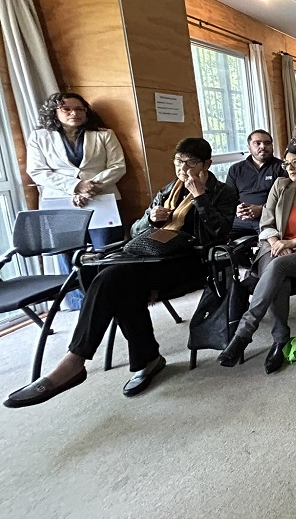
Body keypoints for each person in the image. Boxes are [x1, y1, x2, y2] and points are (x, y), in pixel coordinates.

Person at [5, 138, 238, 407]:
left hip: (192, 260)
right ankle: (135, 360)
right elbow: (136, 232)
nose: (183, 169)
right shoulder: (168, 190)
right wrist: (151, 219)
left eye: (191, 163)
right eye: (178, 162)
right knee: (113, 281)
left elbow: (218, 234)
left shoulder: (223, 192)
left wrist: (199, 197)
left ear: (207, 164)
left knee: (114, 282)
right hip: (149, 259)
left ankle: (83, 361)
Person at [218, 145, 296, 374]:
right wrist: (277, 243)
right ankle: (280, 339)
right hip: (273, 248)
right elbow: (266, 222)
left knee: (277, 267)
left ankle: (244, 334)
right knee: (279, 277)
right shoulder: (281, 186)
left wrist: (292, 243)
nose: (290, 167)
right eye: (287, 163)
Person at [26, 92, 126, 310]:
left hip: (102, 200)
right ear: (54, 112)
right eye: (67, 109)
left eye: (80, 109)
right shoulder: (39, 137)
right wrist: (74, 186)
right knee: (70, 255)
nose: (74, 113)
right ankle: (81, 304)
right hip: (61, 203)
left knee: (107, 252)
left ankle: (110, 299)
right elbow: (37, 171)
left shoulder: (104, 135)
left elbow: (118, 166)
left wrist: (88, 188)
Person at [226, 129, 285, 236]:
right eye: (257, 143)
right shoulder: (236, 169)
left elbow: (285, 199)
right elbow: (228, 199)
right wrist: (236, 209)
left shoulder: (282, 167)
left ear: (272, 146)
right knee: (221, 244)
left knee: (268, 245)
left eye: (267, 143)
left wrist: (262, 209)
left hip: (269, 219)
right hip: (239, 220)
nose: (263, 146)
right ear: (249, 147)